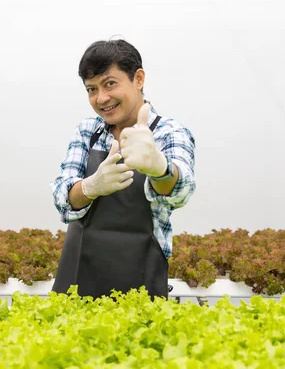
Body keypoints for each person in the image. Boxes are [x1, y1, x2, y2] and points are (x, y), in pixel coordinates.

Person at [49, 39, 196, 300]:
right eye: (91, 89)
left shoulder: (169, 132)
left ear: (138, 78)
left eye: (110, 84)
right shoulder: (88, 131)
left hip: (139, 280)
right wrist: (91, 186)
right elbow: (63, 198)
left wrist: (159, 168)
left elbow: (179, 193)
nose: (101, 98)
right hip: (77, 277)